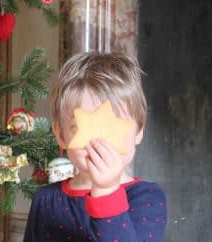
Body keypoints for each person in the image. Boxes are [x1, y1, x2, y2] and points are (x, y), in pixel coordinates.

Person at [24, 52, 167, 242]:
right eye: (82, 128)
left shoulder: (147, 197)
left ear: (139, 131)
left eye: (113, 127)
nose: (100, 142)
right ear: (60, 135)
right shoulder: (45, 199)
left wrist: (106, 190)